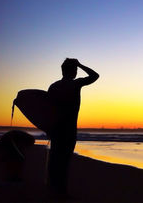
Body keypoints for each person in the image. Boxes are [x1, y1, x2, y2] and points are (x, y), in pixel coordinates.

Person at [47, 58, 99, 197]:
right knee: (64, 162)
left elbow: (48, 109)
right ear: (73, 71)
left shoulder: (54, 86)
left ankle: (52, 190)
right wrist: (81, 64)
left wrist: (48, 128)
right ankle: (61, 192)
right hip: (69, 130)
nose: (76, 72)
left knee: (55, 160)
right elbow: (95, 76)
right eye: (75, 70)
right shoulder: (76, 84)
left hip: (56, 129)